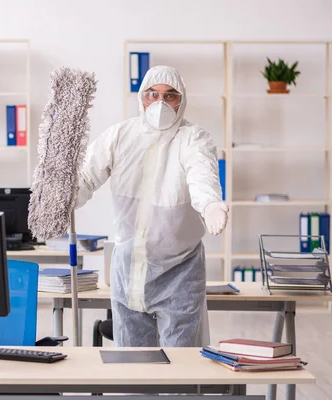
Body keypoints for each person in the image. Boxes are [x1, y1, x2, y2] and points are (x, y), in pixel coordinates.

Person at [75, 65, 229, 347]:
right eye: (153, 94)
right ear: (141, 98)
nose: (160, 103)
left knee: (181, 368)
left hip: (179, 270)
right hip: (127, 268)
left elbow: (201, 174)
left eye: (170, 96)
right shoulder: (120, 135)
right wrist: (65, 199)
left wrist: (209, 204)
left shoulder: (194, 138)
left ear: (181, 100)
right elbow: (86, 176)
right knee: (133, 368)